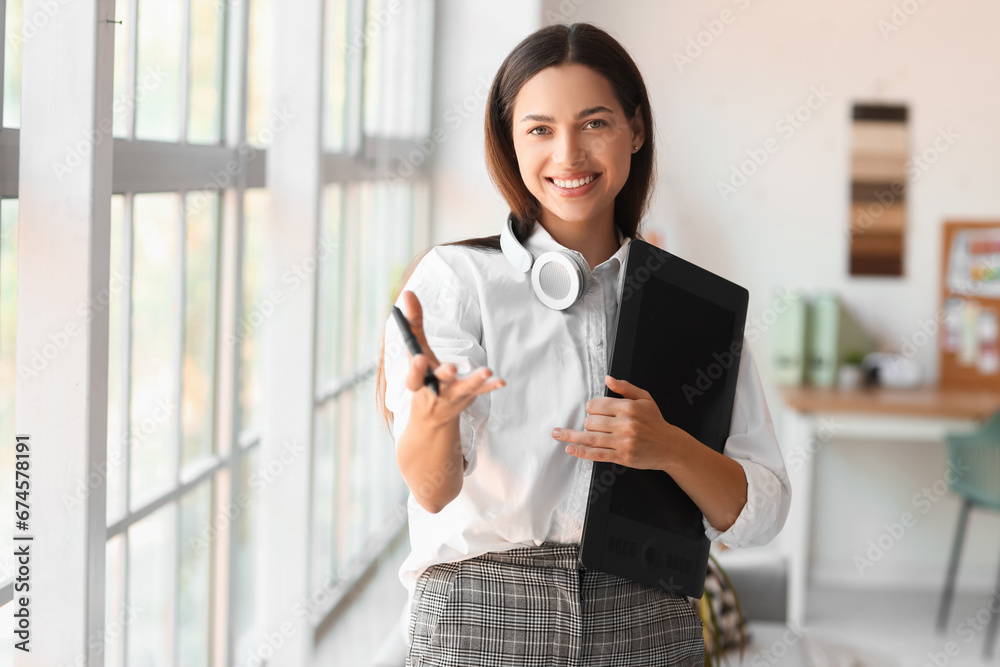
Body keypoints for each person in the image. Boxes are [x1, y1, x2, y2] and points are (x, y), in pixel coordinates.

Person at [375, 22, 791, 666]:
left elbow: (761, 516)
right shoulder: (456, 281)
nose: (568, 154)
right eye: (539, 129)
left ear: (636, 129)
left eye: (594, 123)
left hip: (649, 619)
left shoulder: (694, 306)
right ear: (510, 142)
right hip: (480, 619)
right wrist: (432, 420)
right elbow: (433, 491)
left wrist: (668, 448)